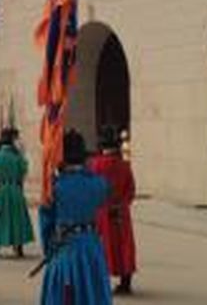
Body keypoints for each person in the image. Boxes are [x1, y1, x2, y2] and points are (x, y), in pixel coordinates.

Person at [39, 129, 112, 305]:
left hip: (65, 249)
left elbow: (46, 223)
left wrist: (49, 250)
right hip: (91, 247)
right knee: (92, 293)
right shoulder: (99, 183)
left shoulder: (54, 188)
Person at [88, 126, 137, 295]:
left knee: (103, 247)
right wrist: (122, 204)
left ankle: (101, 283)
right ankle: (126, 282)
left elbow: (92, 190)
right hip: (121, 212)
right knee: (124, 246)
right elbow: (131, 190)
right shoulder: (125, 166)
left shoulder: (95, 165)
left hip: (102, 211)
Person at [0, 128, 34, 259]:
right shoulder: (17, 157)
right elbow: (23, 170)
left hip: (1, 190)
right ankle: (18, 248)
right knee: (17, 219)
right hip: (15, 189)